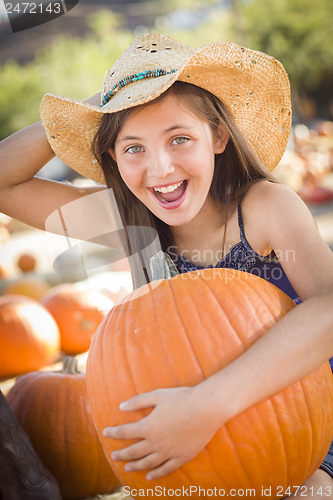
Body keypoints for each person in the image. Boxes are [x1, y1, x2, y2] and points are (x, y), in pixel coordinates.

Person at [1, 33, 333, 497]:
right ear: (113, 158)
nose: (160, 169)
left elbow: (329, 308)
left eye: (179, 139)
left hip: (311, 420)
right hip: (197, 438)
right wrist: (97, 107)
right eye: (133, 147)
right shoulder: (129, 220)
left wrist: (208, 405)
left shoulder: (264, 208)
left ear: (217, 136)